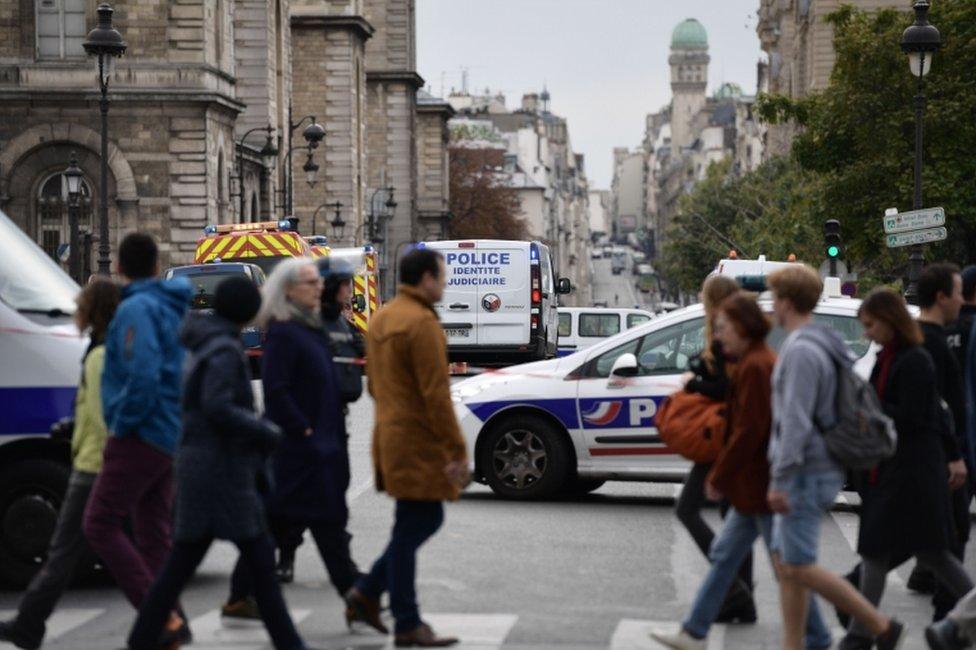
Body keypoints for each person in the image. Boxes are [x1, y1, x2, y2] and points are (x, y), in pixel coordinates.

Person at [127, 277, 313, 650]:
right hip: (222, 473)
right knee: (255, 561)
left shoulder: (206, 341)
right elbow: (217, 406)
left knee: (187, 566)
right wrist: (266, 431)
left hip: (206, 469)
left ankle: (141, 640)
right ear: (246, 311)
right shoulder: (226, 350)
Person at [651, 292, 832, 650]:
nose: (718, 337)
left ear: (742, 328)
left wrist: (719, 477)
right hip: (753, 485)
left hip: (760, 484)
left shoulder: (755, 366)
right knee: (728, 559)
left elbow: (749, 431)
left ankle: (824, 634)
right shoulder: (753, 361)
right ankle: (693, 631)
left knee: (786, 567)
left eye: (723, 329)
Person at [764, 265, 904, 650]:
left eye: (775, 297)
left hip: (806, 470)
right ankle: (795, 643)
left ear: (788, 301)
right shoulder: (820, 340)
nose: (772, 304)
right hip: (815, 466)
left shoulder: (803, 350)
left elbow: (795, 420)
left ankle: (879, 625)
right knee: (787, 564)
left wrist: (779, 478)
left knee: (796, 565)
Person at [222, 258, 361, 622]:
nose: (320, 288)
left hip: (318, 444)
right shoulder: (284, 331)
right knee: (311, 521)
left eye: (320, 282)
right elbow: (277, 391)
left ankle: (242, 596)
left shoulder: (312, 326)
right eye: (311, 283)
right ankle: (356, 596)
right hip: (297, 448)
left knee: (286, 522)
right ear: (289, 292)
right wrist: (306, 431)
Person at [344, 248, 469, 647]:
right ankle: (402, 617)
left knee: (413, 523)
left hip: (390, 435)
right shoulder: (422, 323)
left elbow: (375, 386)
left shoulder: (382, 318)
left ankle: (372, 596)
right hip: (418, 440)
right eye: (442, 276)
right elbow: (436, 395)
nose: (445, 283)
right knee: (419, 523)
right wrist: (456, 450)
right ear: (426, 279)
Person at [836, 289, 974, 648]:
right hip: (895, 472)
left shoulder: (914, 360)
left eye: (869, 325)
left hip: (912, 474)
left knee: (921, 553)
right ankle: (864, 632)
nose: (866, 334)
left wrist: (869, 411)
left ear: (888, 320)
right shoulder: (890, 357)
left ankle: (861, 634)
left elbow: (915, 416)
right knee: (907, 553)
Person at [82, 234, 192, 640]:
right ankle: (174, 616)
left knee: (99, 523)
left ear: (123, 268)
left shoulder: (136, 309)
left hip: (141, 432)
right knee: (152, 534)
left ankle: (158, 615)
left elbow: (142, 373)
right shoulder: (167, 305)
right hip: (166, 429)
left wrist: (122, 424)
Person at [0, 280, 120, 650]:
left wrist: (87, 448)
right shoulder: (103, 349)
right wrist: (70, 426)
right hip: (94, 458)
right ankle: (29, 624)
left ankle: (161, 613)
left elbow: (101, 416)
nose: (75, 313)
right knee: (78, 546)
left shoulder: (99, 355)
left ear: (92, 312)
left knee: (84, 546)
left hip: (91, 464)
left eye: (81, 306)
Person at [272, 257, 366, 584]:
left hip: (334, 420)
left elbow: (360, 354)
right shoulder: (301, 327)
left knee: (332, 496)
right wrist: (303, 427)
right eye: (343, 284)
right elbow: (278, 388)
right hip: (307, 427)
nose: (346, 290)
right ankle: (285, 558)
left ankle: (347, 575)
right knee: (299, 504)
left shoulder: (342, 324)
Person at [673, 274, 756, 623]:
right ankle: (743, 595)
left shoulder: (726, 334)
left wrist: (694, 382)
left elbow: (725, 387)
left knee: (688, 509)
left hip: (724, 438)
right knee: (733, 517)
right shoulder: (735, 330)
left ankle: (736, 589)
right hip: (733, 437)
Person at [914, 264, 970, 617]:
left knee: (931, 538)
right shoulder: (930, 344)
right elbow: (937, 407)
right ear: (941, 297)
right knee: (951, 533)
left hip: (936, 455)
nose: (962, 300)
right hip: (938, 457)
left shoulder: (925, 338)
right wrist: (954, 454)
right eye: (958, 292)